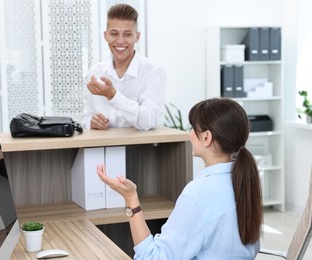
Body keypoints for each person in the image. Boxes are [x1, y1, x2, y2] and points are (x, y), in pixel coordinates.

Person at [96, 97, 263, 259]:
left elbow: (153, 258)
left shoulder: (198, 193)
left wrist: (131, 199)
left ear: (206, 138)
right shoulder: (247, 183)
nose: (189, 134)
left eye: (192, 128)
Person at [82, 4, 166, 130]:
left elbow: (148, 121)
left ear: (137, 37)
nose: (120, 41)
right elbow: (86, 118)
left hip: (140, 149)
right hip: (100, 147)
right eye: (114, 33)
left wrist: (113, 95)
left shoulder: (154, 71)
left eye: (127, 34)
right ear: (106, 36)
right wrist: (92, 123)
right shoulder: (96, 72)